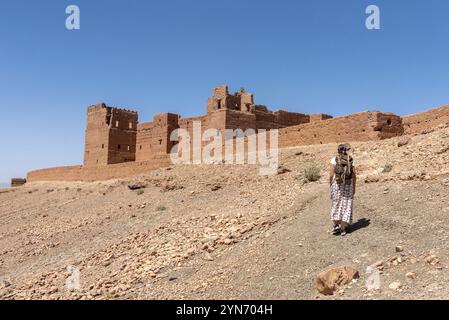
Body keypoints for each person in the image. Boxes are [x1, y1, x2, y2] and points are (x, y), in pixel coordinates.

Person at [329, 144, 356, 236]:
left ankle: (336, 225)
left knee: (336, 204)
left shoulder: (334, 159)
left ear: (338, 150)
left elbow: (331, 174)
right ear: (346, 150)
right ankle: (343, 228)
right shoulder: (350, 159)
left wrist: (331, 184)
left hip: (337, 185)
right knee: (347, 204)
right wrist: (354, 187)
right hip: (348, 185)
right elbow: (354, 175)